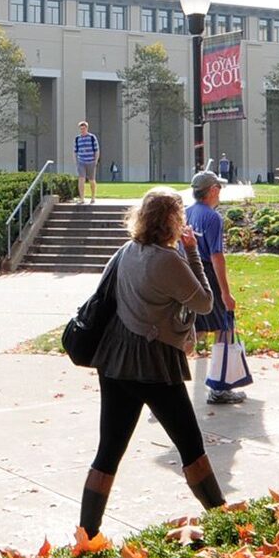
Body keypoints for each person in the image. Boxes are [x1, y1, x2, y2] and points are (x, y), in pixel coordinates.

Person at [80, 187, 227, 536]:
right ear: (175, 220)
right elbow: (205, 302)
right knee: (190, 445)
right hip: (154, 364)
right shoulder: (168, 259)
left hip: (114, 361)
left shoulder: (127, 251)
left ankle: (86, 534)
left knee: (109, 451)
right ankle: (223, 518)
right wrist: (192, 253)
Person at [186, 171, 246, 405]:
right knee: (224, 327)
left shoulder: (187, 213)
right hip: (208, 275)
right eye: (218, 188)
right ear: (211, 190)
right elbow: (217, 256)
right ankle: (220, 388)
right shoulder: (213, 218)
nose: (220, 192)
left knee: (194, 329)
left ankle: (162, 379)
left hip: (190, 274)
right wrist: (225, 292)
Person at [73, 122, 100, 203]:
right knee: (81, 179)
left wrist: (96, 160)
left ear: (87, 128)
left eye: (84, 128)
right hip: (81, 161)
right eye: (81, 129)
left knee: (91, 180)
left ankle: (93, 197)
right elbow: (75, 151)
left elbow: (97, 150)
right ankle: (82, 198)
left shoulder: (92, 137)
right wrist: (76, 161)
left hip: (91, 161)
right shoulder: (77, 138)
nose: (82, 130)